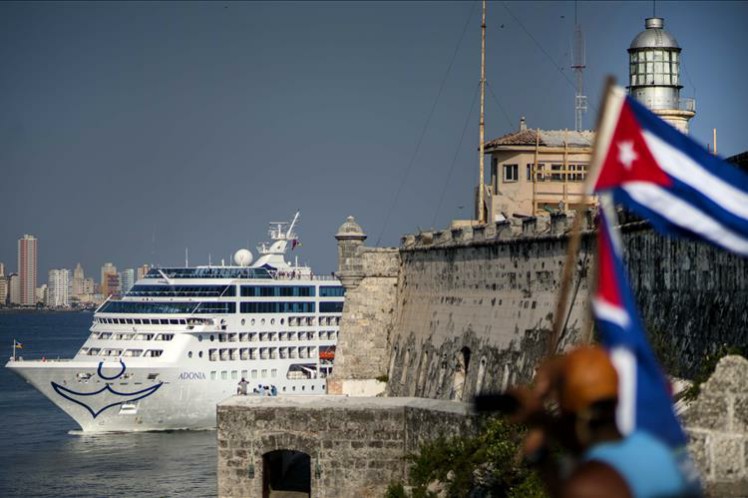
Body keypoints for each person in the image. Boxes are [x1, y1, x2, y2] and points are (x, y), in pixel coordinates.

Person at [505, 346, 700, 498]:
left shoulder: (592, 485)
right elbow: (591, 445)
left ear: (577, 417)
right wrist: (546, 421)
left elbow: (570, 490)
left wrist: (541, 458)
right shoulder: (655, 447)